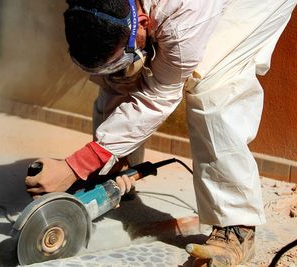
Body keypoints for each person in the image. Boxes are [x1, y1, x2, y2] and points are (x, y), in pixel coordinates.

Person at [25, 0, 296, 265]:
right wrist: (97, 158)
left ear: (142, 21)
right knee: (124, 69)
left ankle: (237, 229)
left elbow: (158, 97)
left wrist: (76, 165)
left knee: (211, 86)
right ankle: (116, 164)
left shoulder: (184, 15)